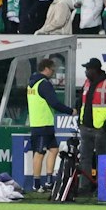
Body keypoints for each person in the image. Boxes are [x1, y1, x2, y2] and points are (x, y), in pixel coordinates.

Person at [24, 57, 74, 191]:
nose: (53, 72)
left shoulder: (31, 84)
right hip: (43, 124)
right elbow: (54, 103)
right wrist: (70, 111)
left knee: (53, 150)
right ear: (46, 69)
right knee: (39, 153)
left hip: (39, 122)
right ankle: (36, 184)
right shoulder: (44, 84)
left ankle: (49, 181)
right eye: (52, 70)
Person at [68, 57, 106, 202]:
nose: (86, 71)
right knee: (85, 158)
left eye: (88, 69)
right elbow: (80, 102)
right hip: (86, 127)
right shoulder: (86, 83)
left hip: (101, 129)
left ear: (95, 70)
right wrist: (80, 122)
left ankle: (102, 187)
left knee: (102, 159)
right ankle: (85, 187)